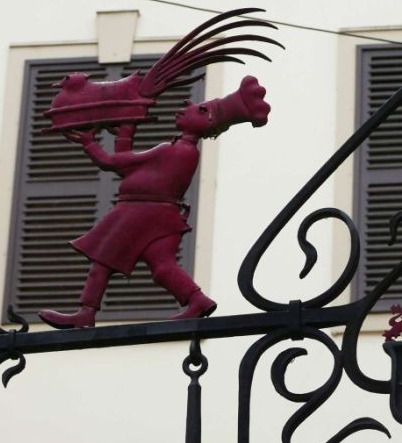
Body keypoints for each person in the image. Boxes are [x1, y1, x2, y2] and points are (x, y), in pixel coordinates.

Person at [39, 74, 270, 328]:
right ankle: (197, 301)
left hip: (139, 213)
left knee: (102, 261)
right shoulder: (180, 150)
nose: (187, 105)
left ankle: (86, 313)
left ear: (208, 121)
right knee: (162, 266)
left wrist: (89, 144)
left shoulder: (175, 151)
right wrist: (126, 131)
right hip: (157, 216)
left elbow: (114, 163)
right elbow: (127, 165)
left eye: (200, 109)